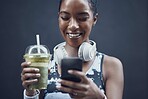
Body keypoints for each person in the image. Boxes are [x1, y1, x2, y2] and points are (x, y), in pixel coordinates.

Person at [21, 0, 124, 99]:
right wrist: (30, 92)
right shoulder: (44, 65)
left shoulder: (111, 66)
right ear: (59, 18)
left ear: (94, 19)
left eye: (82, 18)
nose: (73, 26)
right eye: (65, 17)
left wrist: (100, 98)